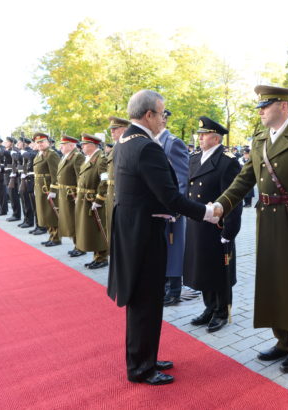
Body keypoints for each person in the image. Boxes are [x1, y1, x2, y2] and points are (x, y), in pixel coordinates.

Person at [212, 85, 288, 373]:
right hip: (267, 219)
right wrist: (220, 205)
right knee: (273, 279)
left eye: (266, 105)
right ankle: (281, 341)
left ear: (284, 106)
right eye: (260, 106)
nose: (261, 110)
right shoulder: (259, 140)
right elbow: (244, 180)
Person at [107, 90, 220, 385]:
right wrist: (206, 212)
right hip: (144, 233)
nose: (163, 118)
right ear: (149, 115)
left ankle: (145, 356)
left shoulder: (125, 141)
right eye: (162, 113)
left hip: (134, 229)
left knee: (145, 299)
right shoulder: (146, 146)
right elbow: (169, 196)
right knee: (146, 300)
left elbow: (140, 190)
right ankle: (140, 368)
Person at [183, 116, 242, 333]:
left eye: (204, 134)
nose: (200, 138)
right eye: (199, 134)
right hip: (198, 221)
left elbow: (234, 201)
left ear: (216, 138)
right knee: (203, 267)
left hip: (217, 225)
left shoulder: (227, 162)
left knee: (219, 270)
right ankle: (209, 307)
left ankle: (221, 312)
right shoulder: (195, 157)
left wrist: (229, 230)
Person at [153, 110, 190, 307]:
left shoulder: (173, 142)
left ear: (163, 120)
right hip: (157, 208)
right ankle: (164, 286)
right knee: (162, 248)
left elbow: (182, 179)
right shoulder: (150, 141)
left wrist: (177, 208)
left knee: (174, 248)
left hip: (171, 209)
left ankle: (174, 290)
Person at [75, 133, 109, 269]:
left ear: (92, 145)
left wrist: (99, 199)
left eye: (84, 144)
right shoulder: (89, 158)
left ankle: (102, 258)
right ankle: (97, 257)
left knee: (98, 229)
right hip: (85, 199)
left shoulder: (101, 159)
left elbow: (105, 180)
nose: (82, 147)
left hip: (94, 199)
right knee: (91, 230)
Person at [55, 135, 85, 257]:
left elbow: (80, 177)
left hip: (72, 194)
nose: (60, 146)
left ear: (71, 145)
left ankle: (80, 246)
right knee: (69, 220)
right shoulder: (65, 157)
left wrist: (78, 194)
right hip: (64, 193)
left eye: (63, 144)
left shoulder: (77, 157)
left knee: (75, 220)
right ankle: (75, 244)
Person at [105, 116, 130, 244]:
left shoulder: (125, 146)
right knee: (111, 228)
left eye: (115, 129)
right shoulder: (117, 147)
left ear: (124, 130)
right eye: (111, 129)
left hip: (119, 194)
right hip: (111, 193)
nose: (112, 132)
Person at [33, 132, 61, 246]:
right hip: (40, 188)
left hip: (48, 188)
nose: (40, 144)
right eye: (38, 142)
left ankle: (56, 238)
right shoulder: (40, 154)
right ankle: (51, 236)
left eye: (42, 142)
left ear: (48, 142)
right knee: (45, 214)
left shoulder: (51, 154)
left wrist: (54, 190)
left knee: (52, 214)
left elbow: (56, 174)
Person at [3, 136, 22, 222]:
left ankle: (16, 214)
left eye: (7, 142)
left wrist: (12, 151)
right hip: (8, 174)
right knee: (11, 195)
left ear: (11, 143)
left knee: (14, 195)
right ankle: (14, 213)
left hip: (13, 175)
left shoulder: (14, 150)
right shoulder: (9, 151)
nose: (5, 143)